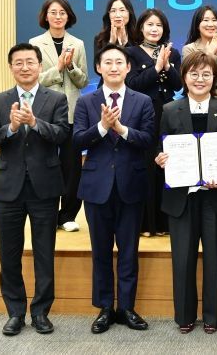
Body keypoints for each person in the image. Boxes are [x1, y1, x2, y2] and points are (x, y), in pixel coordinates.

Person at [0, 43, 69, 336]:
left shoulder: (56, 99)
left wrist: (34, 122)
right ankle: (15, 313)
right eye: (18, 62)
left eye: (30, 62)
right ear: (11, 68)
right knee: (9, 254)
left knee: (44, 252)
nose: (24, 67)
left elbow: (62, 135)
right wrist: (9, 127)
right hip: (7, 188)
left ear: (40, 66)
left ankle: (41, 312)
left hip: (45, 187)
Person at [74, 44, 156, 334]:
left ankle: (127, 308)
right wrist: (101, 126)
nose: (113, 67)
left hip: (131, 185)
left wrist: (121, 129)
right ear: (98, 68)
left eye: (119, 62)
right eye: (107, 62)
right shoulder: (86, 102)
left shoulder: (142, 101)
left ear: (128, 67)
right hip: (96, 187)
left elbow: (148, 139)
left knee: (129, 251)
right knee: (100, 251)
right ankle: (105, 308)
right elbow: (77, 141)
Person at [154, 51, 217, 334]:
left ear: (214, 78)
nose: (200, 79)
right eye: (194, 74)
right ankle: (185, 315)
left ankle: (214, 316)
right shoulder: (169, 110)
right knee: (183, 259)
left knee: (216, 260)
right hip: (182, 197)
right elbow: (160, 146)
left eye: (206, 74)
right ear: (184, 77)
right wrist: (160, 158)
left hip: (216, 196)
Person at [29, 0, 88, 232]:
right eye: (53, 12)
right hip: (44, 113)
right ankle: (47, 213)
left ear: (68, 16)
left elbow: (83, 81)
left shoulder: (78, 44)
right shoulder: (35, 43)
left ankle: (68, 215)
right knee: (44, 164)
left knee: (72, 167)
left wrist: (71, 66)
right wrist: (59, 68)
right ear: (46, 16)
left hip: (72, 112)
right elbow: (34, 79)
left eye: (62, 12)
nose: (58, 16)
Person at [126, 8, 183, 237]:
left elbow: (178, 85)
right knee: (144, 166)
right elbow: (132, 83)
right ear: (141, 28)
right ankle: (144, 224)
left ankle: (163, 223)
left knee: (165, 165)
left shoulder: (172, 52)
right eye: (150, 24)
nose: (154, 29)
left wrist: (167, 66)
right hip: (140, 113)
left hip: (166, 112)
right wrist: (157, 67)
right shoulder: (130, 52)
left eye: (159, 25)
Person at [182, 4, 217, 100]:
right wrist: (209, 54)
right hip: (196, 97)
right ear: (197, 25)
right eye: (206, 20)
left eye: (214, 20)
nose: (210, 24)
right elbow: (191, 75)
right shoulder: (189, 49)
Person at [93, 0, 137, 85]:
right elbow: (98, 69)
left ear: (129, 13)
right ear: (108, 14)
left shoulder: (138, 38)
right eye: (113, 11)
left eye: (122, 10)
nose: (117, 15)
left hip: (133, 88)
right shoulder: (100, 38)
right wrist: (111, 44)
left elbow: (137, 68)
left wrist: (126, 45)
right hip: (107, 87)